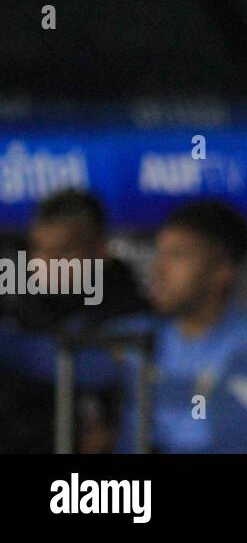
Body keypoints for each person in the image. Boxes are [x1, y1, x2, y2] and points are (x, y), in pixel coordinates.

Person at [0, 200, 247, 452]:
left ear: (223, 271)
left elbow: (224, 444)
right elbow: (51, 357)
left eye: (178, 256)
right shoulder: (141, 337)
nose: (159, 268)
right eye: (160, 253)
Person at [0, 189, 148, 453]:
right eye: (39, 250)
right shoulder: (18, 306)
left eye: (62, 252)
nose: (45, 264)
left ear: (100, 250)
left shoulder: (130, 310)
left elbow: (92, 368)